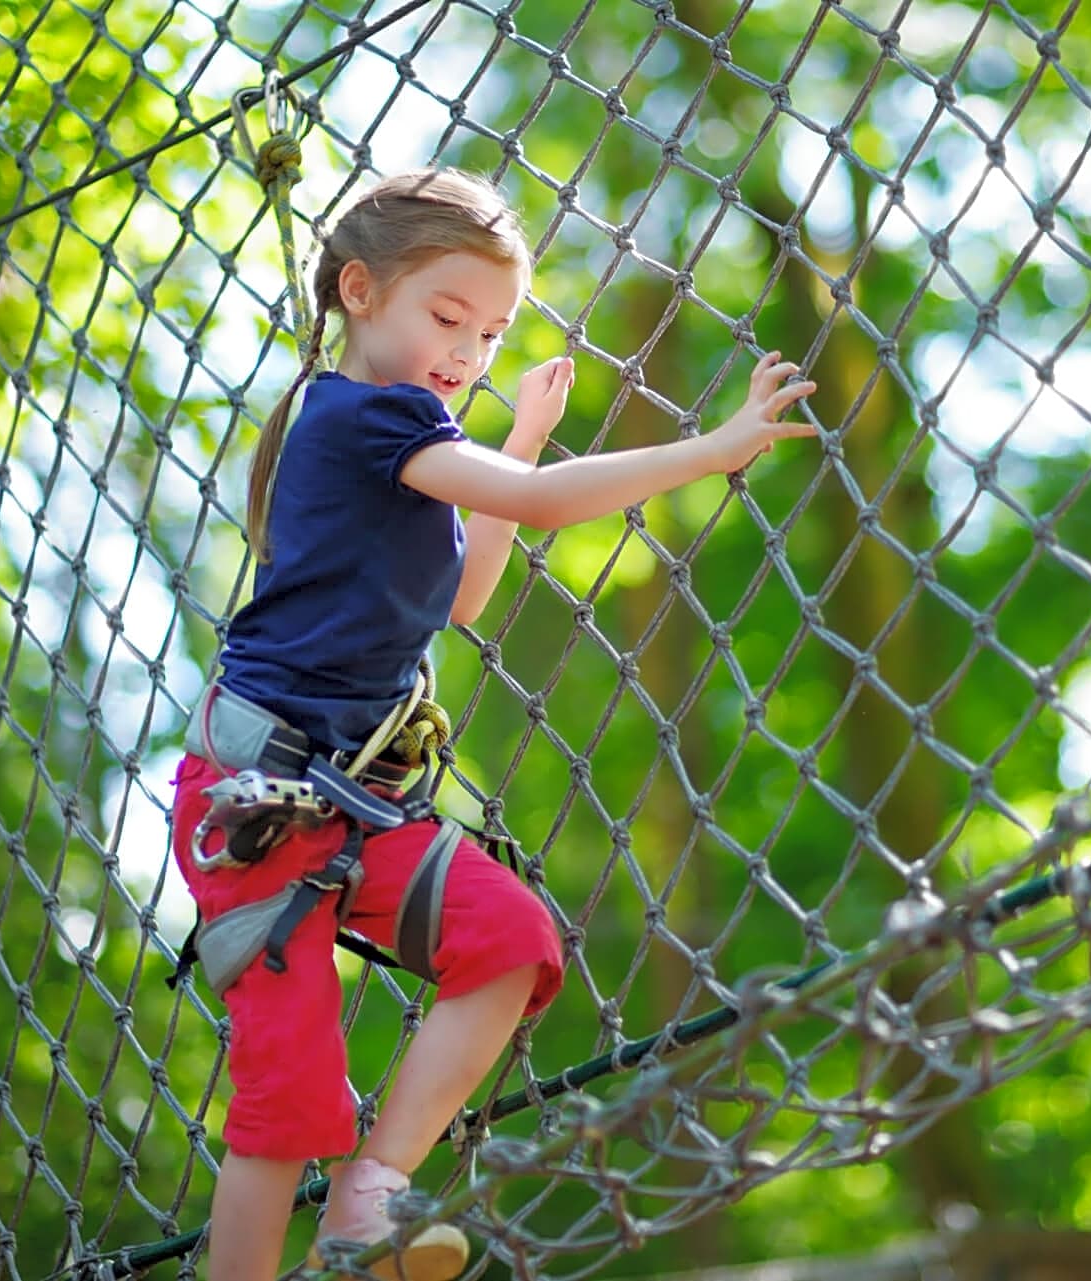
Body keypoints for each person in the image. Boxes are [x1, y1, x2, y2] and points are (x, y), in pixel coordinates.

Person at [169, 167, 817, 1281]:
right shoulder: (360, 416)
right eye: (448, 319)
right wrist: (712, 451)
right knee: (285, 1100)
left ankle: (368, 1203)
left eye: (493, 332)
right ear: (360, 291)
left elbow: (463, 598)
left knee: (511, 941)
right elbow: (542, 507)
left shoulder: (414, 437)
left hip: (360, 805)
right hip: (262, 806)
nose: (467, 354)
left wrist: (515, 444)